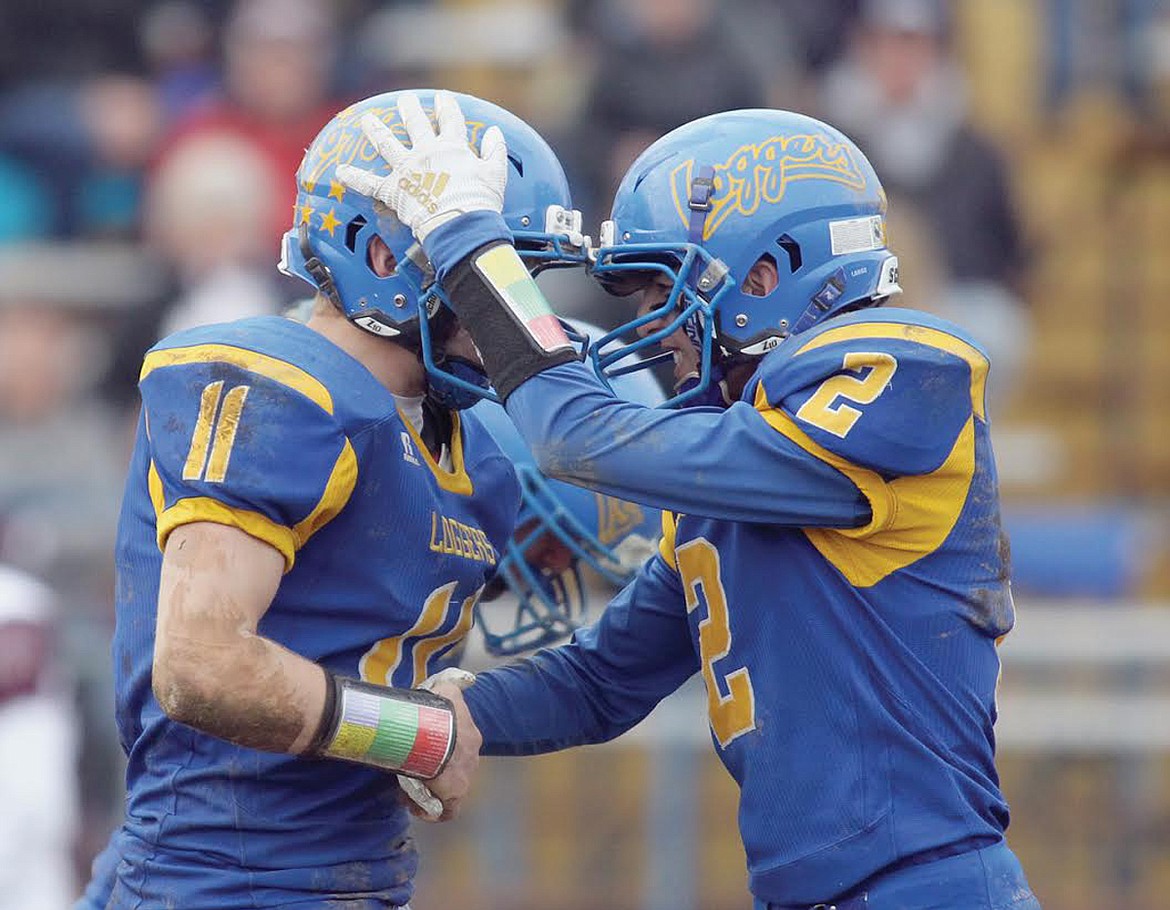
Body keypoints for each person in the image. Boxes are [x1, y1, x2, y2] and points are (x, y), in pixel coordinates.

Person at [337, 91, 1041, 909]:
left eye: (661, 291)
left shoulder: (905, 365)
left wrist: (469, 242)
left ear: (767, 274)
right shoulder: (752, 460)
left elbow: (576, 438)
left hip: (926, 887)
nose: (653, 326)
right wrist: (433, 716)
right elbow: (601, 682)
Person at [76, 89, 591, 910]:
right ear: (387, 261)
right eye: (494, 271)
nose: (518, 306)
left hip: (351, 873)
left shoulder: (477, 449)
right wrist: (422, 735)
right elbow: (203, 665)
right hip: (222, 878)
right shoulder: (281, 384)